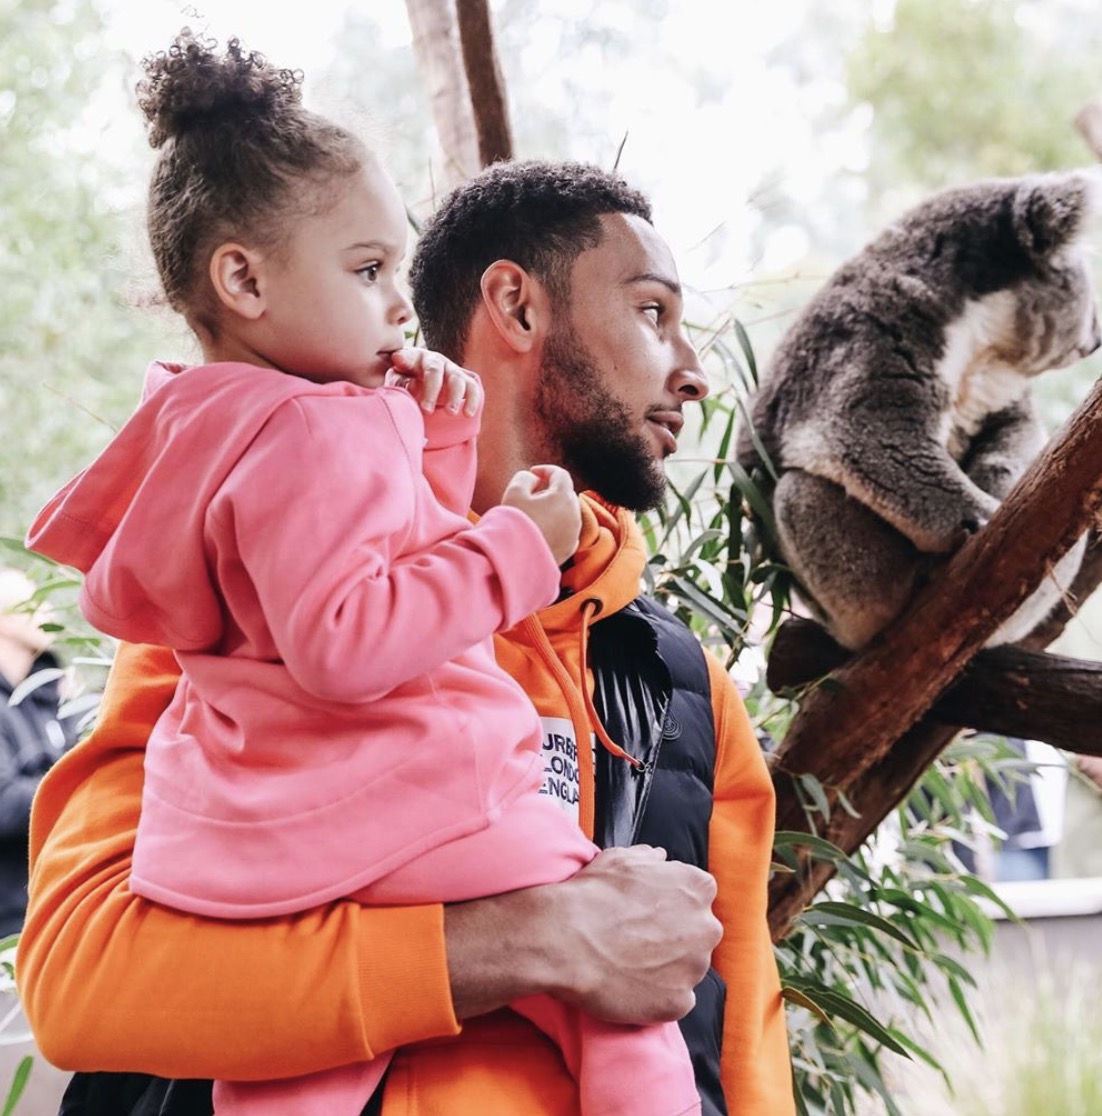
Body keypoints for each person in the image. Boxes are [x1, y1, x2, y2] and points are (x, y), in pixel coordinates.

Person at [17, 69, 795, 1116]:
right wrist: (532, 940)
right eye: (653, 311)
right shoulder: (240, 626)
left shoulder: (681, 685)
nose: (695, 369)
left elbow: (740, 1040)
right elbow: (82, 985)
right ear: (514, 303)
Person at [0, 569, 74, 939]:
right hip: (8, 923)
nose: (46, 609)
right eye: (32, 600)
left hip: (56, 906)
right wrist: (78, 789)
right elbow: (3, 803)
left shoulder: (48, 696)